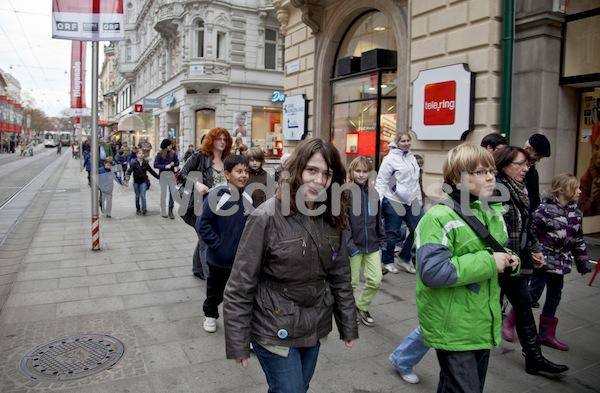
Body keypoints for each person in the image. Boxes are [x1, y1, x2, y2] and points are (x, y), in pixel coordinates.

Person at [223, 138, 358, 393]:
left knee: (299, 388)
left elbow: (340, 276)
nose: (319, 180)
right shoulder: (266, 216)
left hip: (314, 324)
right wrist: (238, 341)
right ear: (297, 170)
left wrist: (348, 323)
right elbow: (240, 285)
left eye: (326, 174)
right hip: (273, 325)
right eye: (312, 170)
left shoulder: (333, 216)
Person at [416, 144, 517, 392]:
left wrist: (512, 261)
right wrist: (490, 262)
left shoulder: (491, 212)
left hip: (482, 322)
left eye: (491, 170)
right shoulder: (438, 218)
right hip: (454, 327)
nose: (491, 176)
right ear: (456, 179)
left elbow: (501, 251)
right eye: (480, 171)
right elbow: (432, 272)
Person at [494, 146, 568, 375]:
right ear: (505, 164)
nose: (526, 169)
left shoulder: (520, 188)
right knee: (498, 304)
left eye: (527, 165)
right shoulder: (496, 189)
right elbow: (491, 228)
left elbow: (527, 222)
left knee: (523, 305)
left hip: (520, 256)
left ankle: (533, 357)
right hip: (503, 258)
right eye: (520, 164)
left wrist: (535, 248)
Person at [530, 174, 591, 350]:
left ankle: (546, 334)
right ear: (562, 190)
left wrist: (582, 264)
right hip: (543, 261)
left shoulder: (576, 214)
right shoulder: (545, 210)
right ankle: (513, 321)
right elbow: (532, 232)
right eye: (576, 187)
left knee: (554, 297)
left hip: (561, 263)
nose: (580, 191)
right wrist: (536, 252)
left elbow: (578, 240)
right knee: (533, 294)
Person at [197, 154, 252, 333]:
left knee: (242, 295)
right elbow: (202, 224)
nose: (244, 175)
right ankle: (210, 314)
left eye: (246, 171)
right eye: (239, 171)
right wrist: (217, 245)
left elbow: (254, 226)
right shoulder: (216, 196)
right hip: (218, 259)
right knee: (215, 291)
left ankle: (242, 327)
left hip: (241, 260)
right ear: (227, 175)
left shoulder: (249, 199)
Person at [178, 127, 233, 280]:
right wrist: (197, 184)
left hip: (221, 208)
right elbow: (181, 174)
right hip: (200, 205)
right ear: (211, 140)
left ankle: (197, 268)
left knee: (203, 238)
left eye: (225, 139)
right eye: (218, 139)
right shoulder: (200, 156)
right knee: (206, 241)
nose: (222, 142)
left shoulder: (227, 159)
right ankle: (212, 279)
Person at [345, 156, 386, 327]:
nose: (361, 174)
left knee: (376, 279)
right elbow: (343, 223)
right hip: (354, 246)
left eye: (365, 171)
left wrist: (382, 241)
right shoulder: (345, 193)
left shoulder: (374, 193)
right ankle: (348, 311)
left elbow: (378, 219)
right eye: (358, 171)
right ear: (352, 172)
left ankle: (362, 306)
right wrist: (350, 246)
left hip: (373, 245)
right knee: (352, 283)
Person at [375, 131, 422, 274]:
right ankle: (387, 261)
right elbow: (382, 180)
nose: (406, 143)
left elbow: (415, 181)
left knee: (419, 229)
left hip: (412, 201)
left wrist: (418, 199)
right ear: (397, 142)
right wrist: (378, 200)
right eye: (403, 141)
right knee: (392, 234)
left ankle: (403, 257)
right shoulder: (390, 159)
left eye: (408, 141)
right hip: (394, 200)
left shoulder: (412, 157)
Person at [124, 148, 159, 215]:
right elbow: (129, 171)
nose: (141, 155)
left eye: (142, 153)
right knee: (137, 195)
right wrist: (127, 179)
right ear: (137, 154)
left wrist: (158, 177)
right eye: (139, 153)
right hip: (136, 181)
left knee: (143, 195)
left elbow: (151, 171)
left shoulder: (145, 163)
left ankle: (144, 208)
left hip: (143, 181)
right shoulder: (134, 163)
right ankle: (138, 207)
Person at [523, 134, 551, 212]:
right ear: (527, 149)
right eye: (536, 156)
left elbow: (535, 200)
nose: (538, 160)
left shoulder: (533, 173)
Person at [577, 123, 600, 216]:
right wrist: (592, 199)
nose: (599, 155)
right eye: (596, 147)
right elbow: (581, 211)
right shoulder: (588, 177)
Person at [154, 138, 180, 219]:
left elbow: (177, 162)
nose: (171, 146)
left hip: (171, 175)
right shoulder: (160, 154)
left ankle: (170, 210)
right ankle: (163, 210)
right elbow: (156, 165)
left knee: (172, 193)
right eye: (169, 145)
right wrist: (165, 166)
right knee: (163, 193)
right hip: (163, 176)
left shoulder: (173, 154)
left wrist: (173, 164)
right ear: (165, 146)